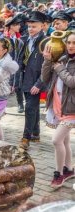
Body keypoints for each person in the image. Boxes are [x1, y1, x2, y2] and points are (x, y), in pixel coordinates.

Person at [41, 33, 75, 189]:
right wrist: (47, 60)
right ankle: (69, 169)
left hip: (71, 109)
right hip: (58, 105)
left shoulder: (62, 63)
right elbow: (45, 78)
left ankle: (59, 173)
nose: (70, 45)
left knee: (56, 140)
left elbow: (72, 82)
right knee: (65, 140)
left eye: (74, 43)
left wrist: (60, 68)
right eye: (68, 42)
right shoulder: (62, 58)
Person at [18, 11, 48, 150]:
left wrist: (39, 84)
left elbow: (48, 67)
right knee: (33, 108)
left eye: (34, 26)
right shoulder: (25, 39)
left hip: (37, 81)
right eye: (29, 26)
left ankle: (26, 138)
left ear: (42, 26)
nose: (30, 29)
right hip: (25, 79)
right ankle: (36, 133)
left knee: (29, 108)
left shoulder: (46, 42)